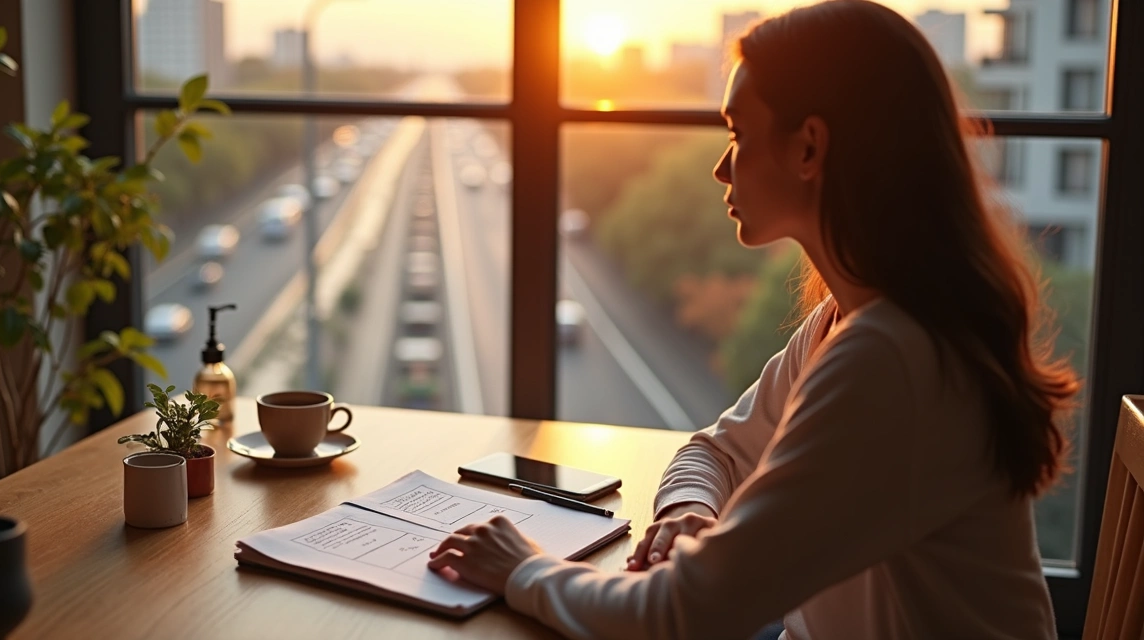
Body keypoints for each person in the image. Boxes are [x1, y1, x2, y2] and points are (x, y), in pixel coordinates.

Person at [426, 1, 1080, 638]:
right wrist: (688, 513)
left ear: (809, 148)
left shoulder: (893, 359)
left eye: (738, 134)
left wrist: (524, 569)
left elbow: (685, 615)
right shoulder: (844, 323)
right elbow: (716, 451)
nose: (721, 166)